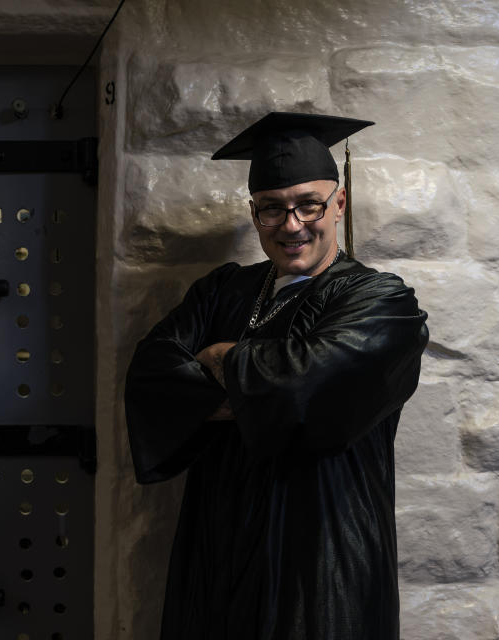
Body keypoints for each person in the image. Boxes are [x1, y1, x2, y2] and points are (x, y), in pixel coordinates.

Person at [124, 112, 429, 639]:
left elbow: (309, 392)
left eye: (308, 204)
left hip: (322, 558)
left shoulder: (381, 303)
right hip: (218, 548)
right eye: (272, 209)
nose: (291, 225)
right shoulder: (222, 291)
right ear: (254, 212)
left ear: (339, 204)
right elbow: (151, 377)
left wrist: (218, 358)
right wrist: (262, 387)